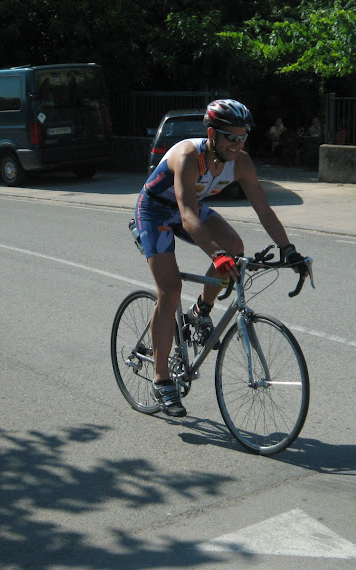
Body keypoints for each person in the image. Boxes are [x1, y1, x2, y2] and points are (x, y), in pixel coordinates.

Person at [132, 99, 309, 417]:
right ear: (212, 134)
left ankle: (201, 310)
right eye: (231, 137)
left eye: (243, 137)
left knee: (235, 247)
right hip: (156, 210)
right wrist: (216, 255)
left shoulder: (241, 162)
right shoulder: (189, 155)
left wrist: (289, 249)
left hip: (191, 209)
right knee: (170, 291)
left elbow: (264, 210)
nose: (237, 144)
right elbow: (187, 216)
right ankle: (161, 380)